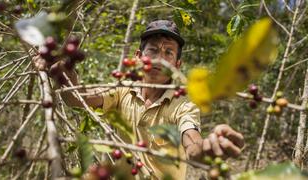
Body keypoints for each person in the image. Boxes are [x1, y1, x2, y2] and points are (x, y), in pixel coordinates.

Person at [34, 20, 244, 180]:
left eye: (168, 52)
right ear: (137, 56)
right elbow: (77, 97)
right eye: (152, 49)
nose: (159, 58)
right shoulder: (122, 90)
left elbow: (192, 143)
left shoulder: (183, 104)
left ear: (177, 64)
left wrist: (205, 149)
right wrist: (65, 70)